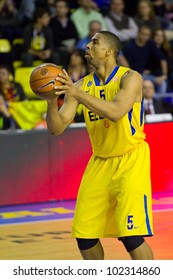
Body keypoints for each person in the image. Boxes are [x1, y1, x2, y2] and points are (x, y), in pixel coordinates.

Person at [46, 30, 154, 260]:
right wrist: (51, 102)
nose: (87, 46)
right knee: (85, 236)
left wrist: (76, 93)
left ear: (108, 51)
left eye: (94, 42)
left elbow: (115, 112)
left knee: (131, 236)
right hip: (100, 161)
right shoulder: (80, 86)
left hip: (130, 158)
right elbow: (57, 128)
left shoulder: (130, 77)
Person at [122, 25, 168, 94]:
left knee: (163, 83)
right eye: (143, 34)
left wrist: (164, 74)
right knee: (153, 81)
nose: (145, 37)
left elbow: (162, 58)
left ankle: (157, 103)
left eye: (147, 35)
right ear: (138, 33)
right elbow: (124, 64)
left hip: (144, 74)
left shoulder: (149, 43)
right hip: (132, 75)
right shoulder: (129, 46)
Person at [49, 0, 79, 68]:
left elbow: (76, 36)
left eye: (61, 7)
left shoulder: (70, 22)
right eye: (57, 7)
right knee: (62, 53)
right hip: (59, 47)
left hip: (72, 46)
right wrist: (66, 47)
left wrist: (73, 46)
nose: (58, 9)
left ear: (67, 9)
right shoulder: (52, 22)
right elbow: (53, 39)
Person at [0, 64, 26, 129]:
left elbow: (24, 99)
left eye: (3, 74)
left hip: (19, 109)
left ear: (9, 74)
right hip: (6, 110)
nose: (0, 76)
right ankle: (11, 122)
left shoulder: (17, 85)